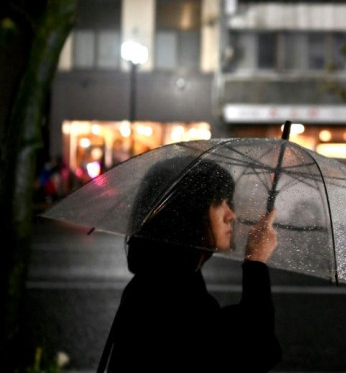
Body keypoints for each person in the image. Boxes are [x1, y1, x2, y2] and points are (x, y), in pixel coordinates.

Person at [99, 157, 282, 372]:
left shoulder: (158, 280)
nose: (231, 215)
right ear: (189, 213)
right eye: (219, 203)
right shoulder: (171, 296)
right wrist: (256, 263)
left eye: (228, 202)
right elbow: (256, 352)